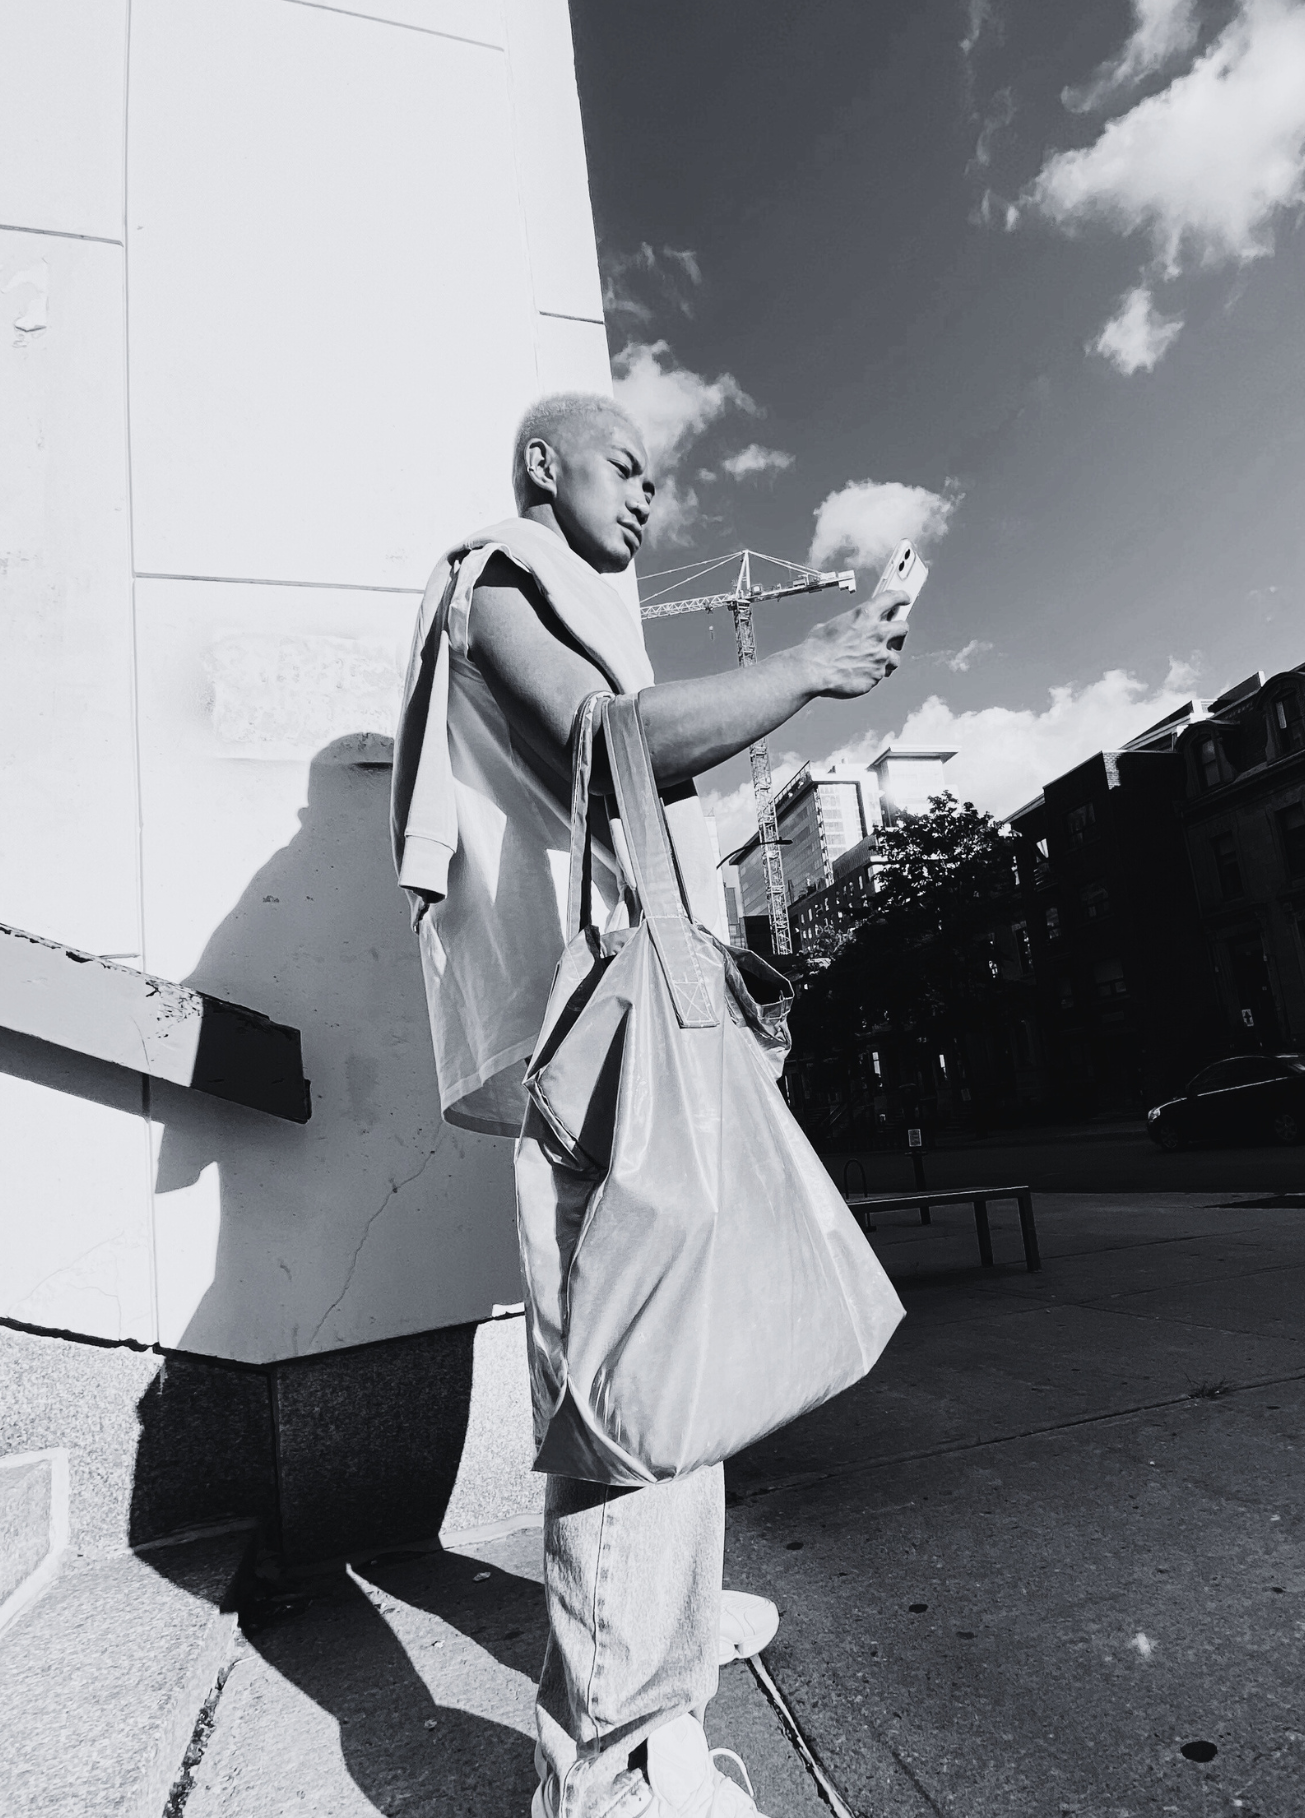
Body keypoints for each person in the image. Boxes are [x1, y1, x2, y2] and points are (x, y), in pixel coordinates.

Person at [391, 393, 905, 1818]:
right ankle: (607, 1770)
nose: (651, 496)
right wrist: (809, 662)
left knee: (679, 1362)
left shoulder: (563, 596)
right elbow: (605, 747)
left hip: (627, 1027)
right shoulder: (496, 577)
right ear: (540, 466)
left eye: (659, 478)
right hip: (593, 1043)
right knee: (626, 1395)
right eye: (628, 468)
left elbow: (633, 797)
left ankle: (668, 1638)